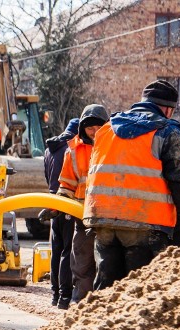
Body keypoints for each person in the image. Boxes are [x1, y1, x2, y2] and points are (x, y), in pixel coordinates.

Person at [83, 80, 180, 290]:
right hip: (146, 223)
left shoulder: (107, 127)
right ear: (167, 109)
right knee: (143, 293)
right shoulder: (167, 129)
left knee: (105, 293)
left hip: (103, 221)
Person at [57, 104, 109, 303]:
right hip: (83, 218)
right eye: (90, 129)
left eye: (99, 128)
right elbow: (66, 185)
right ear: (83, 129)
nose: (95, 133)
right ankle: (81, 306)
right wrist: (57, 205)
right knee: (80, 266)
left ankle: (104, 307)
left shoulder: (115, 147)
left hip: (109, 219)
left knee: (105, 266)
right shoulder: (73, 151)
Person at [39, 118, 79, 310]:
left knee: (57, 249)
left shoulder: (50, 150)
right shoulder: (70, 150)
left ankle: (55, 293)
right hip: (68, 203)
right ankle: (65, 296)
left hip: (52, 202)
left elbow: (48, 177)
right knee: (67, 250)